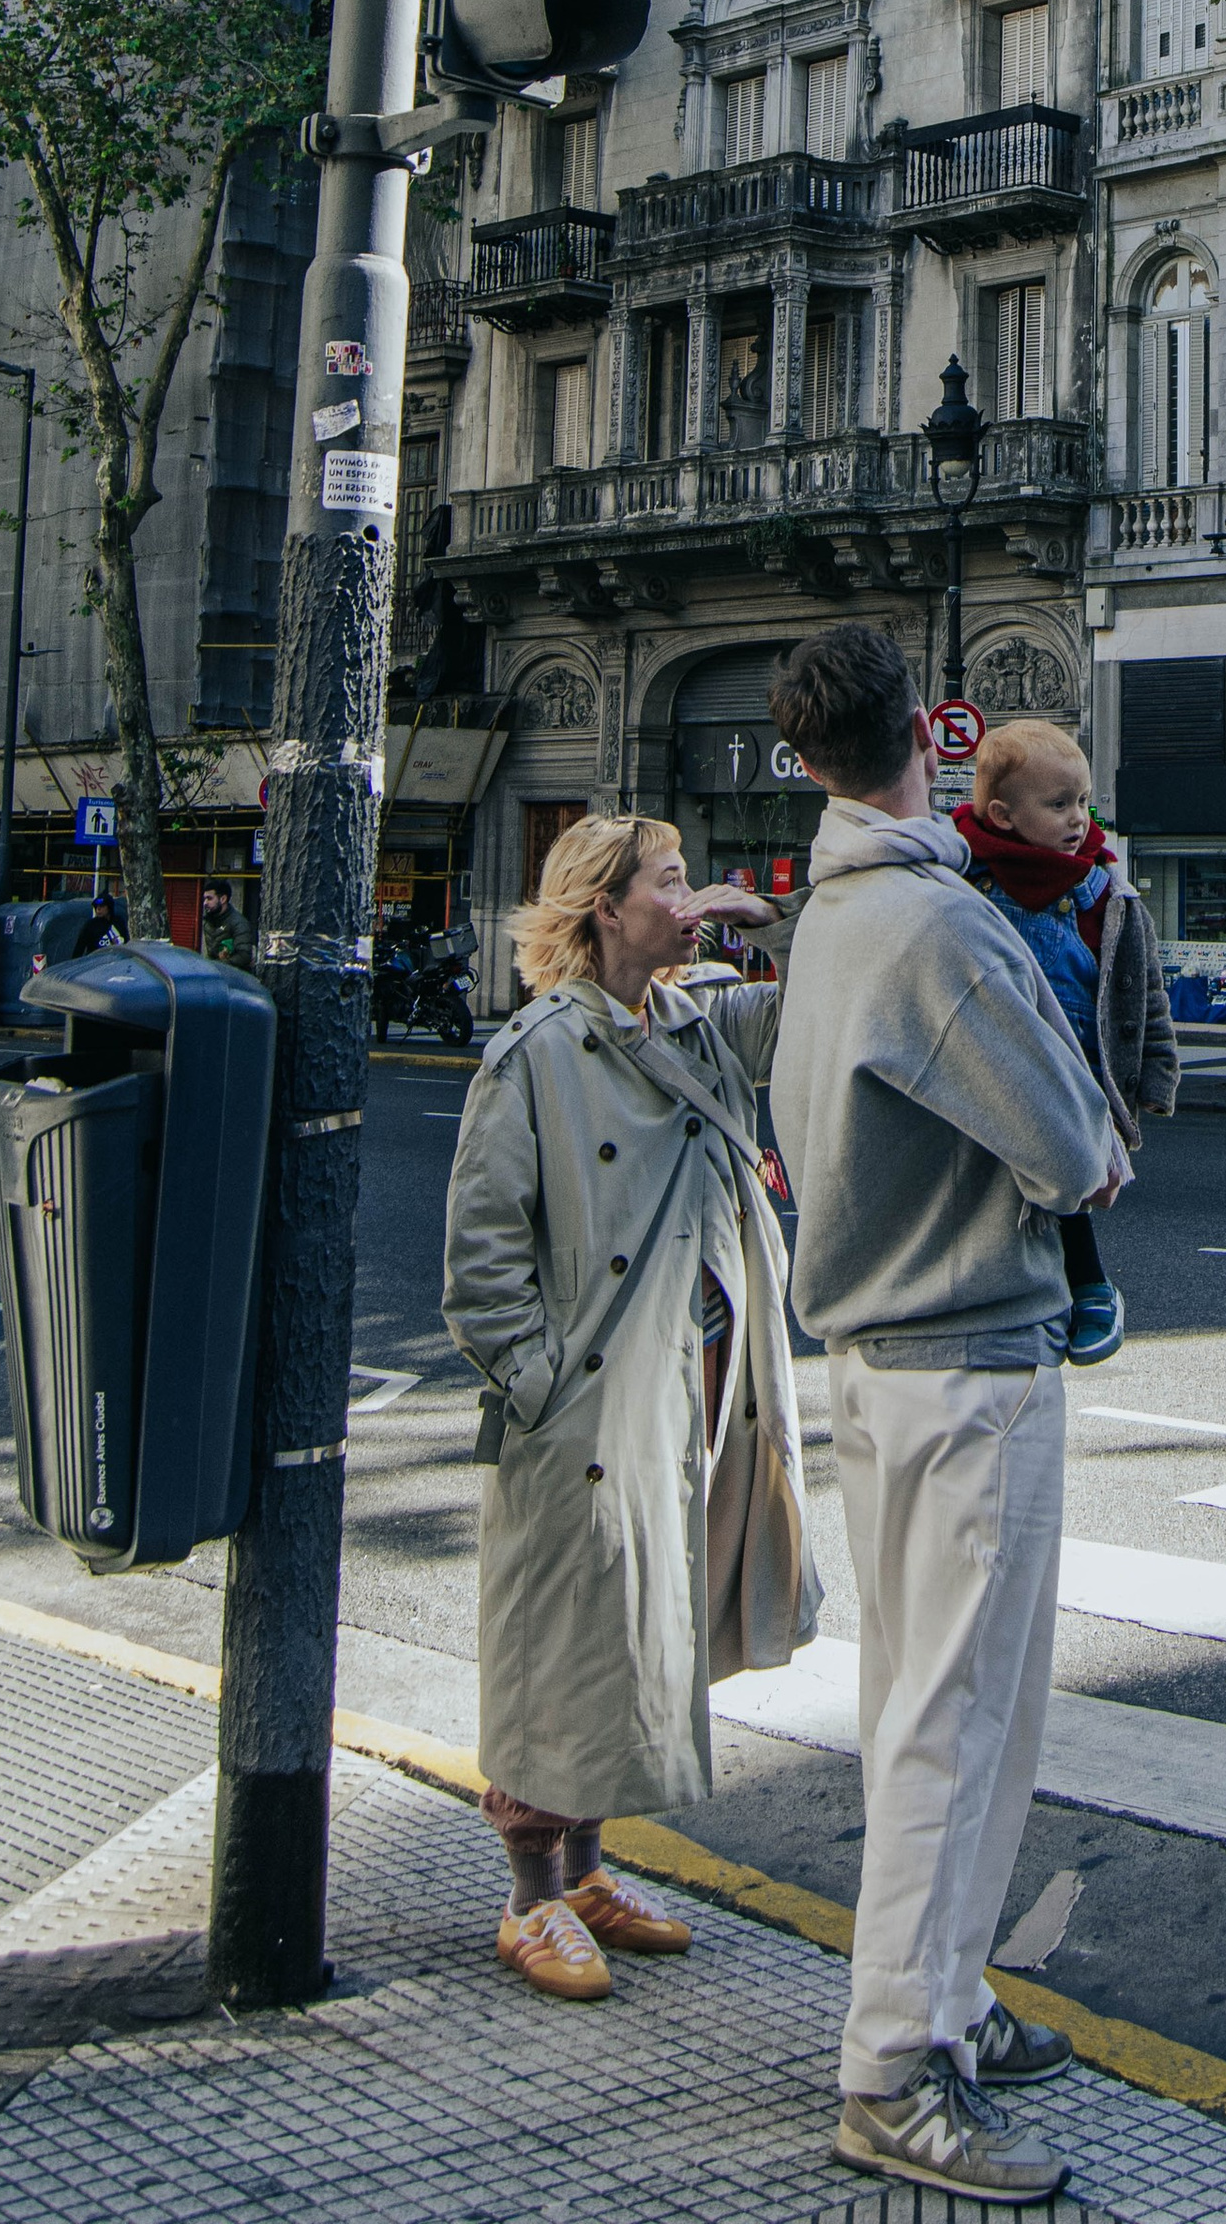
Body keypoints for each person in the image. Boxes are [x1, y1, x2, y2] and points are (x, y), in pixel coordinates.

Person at [769, 623, 1120, 2207]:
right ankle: (896, 2067)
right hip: (967, 1362)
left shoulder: (834, 916)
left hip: (883, 1364)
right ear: (925, 732)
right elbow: (1074, 1148)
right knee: (958, 1722)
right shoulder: (937, 930)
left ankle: (950, 1997)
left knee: (936, 1705)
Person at [442, 814, 814, 2003]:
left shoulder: (695, 1020)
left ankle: (591, 1876)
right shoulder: (537, 1053)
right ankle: (529, 1901)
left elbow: (818, 1012)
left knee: (639, 1628)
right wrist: (545, 1388)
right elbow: (481, 1257)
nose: (689, 893)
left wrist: (783, 925)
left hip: (692, 1378)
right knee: (562, 1635)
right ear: (604, 907)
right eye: (666, 881)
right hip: (588, 1406)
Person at [954, 715, 1177, 1365]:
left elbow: (1144, 991)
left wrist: (1153, 1077)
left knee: (1068, 1191)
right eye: (1058, 805)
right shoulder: (961, 878)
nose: (1078, 818)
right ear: (1001, 815)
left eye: (1083, 801)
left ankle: (1091, 1286)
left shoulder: (1102, 888)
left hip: (1073, 1069)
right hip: (991, 1060)